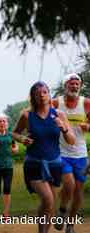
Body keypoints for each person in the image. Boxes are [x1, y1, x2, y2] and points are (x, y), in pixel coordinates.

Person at [13, 81, 75, 233]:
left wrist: (64, 129)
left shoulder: (59, 115)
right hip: (34, 163)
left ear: (49, 94)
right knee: (48, 199)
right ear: (33, 96)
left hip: (54, 164)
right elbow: (14, 133)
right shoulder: (27, 115)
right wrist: (22, 139)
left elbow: (72, 141)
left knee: (50, 204)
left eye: (45, 92)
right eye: (38, 93)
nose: (42, 95)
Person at [52, 73, 90, 233]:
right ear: (65, 85)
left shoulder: (86, 103)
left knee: (78, 190)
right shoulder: (56, 102)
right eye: (71, 83)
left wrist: (88, 127)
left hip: (80, 153)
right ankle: (61, 210)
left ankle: (71, 225)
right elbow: (43, 116)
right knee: (69, 184)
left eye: (77, 84)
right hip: (61, 152)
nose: (74, 86)